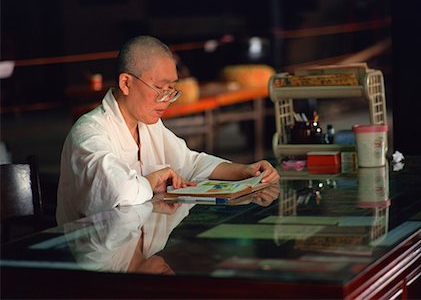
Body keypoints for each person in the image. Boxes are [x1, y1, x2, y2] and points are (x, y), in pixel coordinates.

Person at [56, 35, 279, 225]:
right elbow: (120, 192)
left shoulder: (149, 125)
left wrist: (246, 171)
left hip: (138, 250)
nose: (166, 100)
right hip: (99, 263)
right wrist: (153, 180)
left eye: (171, 89)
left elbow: (190, 163)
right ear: (126, 83)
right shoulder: (89, 133)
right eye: (159, 89)